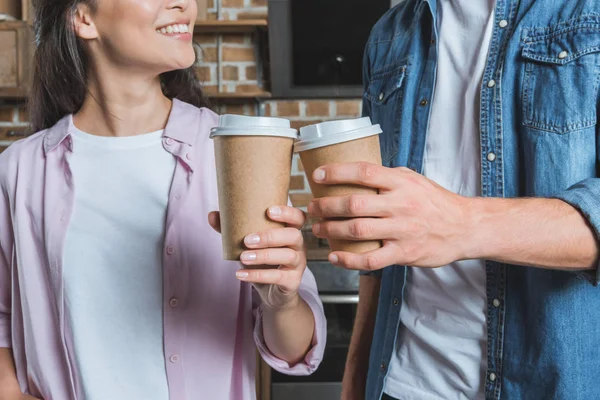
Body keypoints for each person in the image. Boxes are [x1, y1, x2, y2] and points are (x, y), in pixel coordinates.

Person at [0, 0, 326, 399]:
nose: (184, 3)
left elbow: (292, 350)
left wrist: (282, 302)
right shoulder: (20, 171)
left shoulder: (236, 153)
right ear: (83, 18)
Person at [307, 0, 600, 399]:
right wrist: (357, 375)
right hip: (402, 386)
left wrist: (461, 223)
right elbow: (379, 251)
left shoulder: (587, 13)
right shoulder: (389, 34)